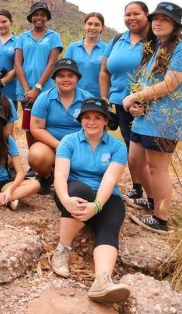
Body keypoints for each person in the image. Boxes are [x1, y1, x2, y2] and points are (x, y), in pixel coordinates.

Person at [123, 2, 182, 234]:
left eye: (164, 19)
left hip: (164, 120)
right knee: (135, 160)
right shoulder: (156, 46)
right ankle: (153, 200)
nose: (158, 22)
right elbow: (147, 82)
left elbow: (170, 84)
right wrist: (138, 104)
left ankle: (161, 219)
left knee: (158, 168)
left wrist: (134, 96)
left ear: (175, 24)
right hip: (145, 117)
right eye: (155, 18)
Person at [51, 97, 131, 304]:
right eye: (87, 117)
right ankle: (62, 249)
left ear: (106, 120)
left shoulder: (118, 146)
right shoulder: (69, 141)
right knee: (81, 189)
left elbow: (110, 178)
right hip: (71, 195)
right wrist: (66, 199)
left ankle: (102, 281)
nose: (91, 122)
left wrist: (97, 206)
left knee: (111, 222)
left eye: (97, 117)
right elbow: (60, 175)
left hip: (104, 198)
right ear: (81, 120)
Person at [100, 1, 150, 203]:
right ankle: (137, 188)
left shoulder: (154, 41)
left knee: (147, 149)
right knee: (131, 146)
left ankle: (154, 195)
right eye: (127, 14)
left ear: (147, 15)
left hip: (145, 105)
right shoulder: (118, 40)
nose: (131, 18)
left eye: (136, 13)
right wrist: (104, 98)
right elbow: (104, 71)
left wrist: (143, 99)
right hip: (120, 102)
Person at [29, 58, 92, 194]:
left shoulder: (88, 100)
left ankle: (75, 179)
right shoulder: (44, 98)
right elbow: (36, 128)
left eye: (71, 76)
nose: (66, 80)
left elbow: (95, 130)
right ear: (54, 79)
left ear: (77, 78)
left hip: (80, 145)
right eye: (61, 76)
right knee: (36, 155)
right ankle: (47, 176)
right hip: (52, 145)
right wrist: (60, 146)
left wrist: (76, 147)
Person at [14, 1, 63, 146]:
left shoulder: (54, 37)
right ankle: (32, 162)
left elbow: (52, 63)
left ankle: (48, 159)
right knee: (29, 125)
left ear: (47, 18)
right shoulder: (23, 37)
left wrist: (37, 88)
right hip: (25, 89)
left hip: (46, 89)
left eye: (42, 15)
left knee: (46, 125)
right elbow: (17, 63)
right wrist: (27, 90)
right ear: (31, 17)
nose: (39, 17)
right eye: (36, 14)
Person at [64, 12, 107, 97]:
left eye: (97, 25)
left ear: (102, 28)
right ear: (85, 25)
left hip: (97, 98)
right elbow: (65, 72)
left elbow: (109, 76)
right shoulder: (73, 47)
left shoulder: (107, 49)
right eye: (89, 24)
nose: (92, 27)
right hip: (74, 96)